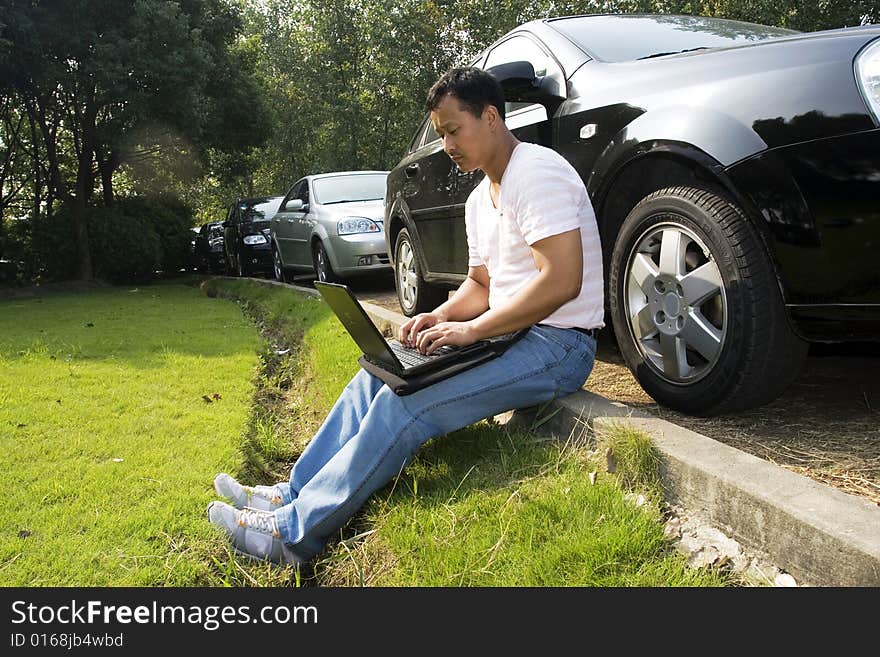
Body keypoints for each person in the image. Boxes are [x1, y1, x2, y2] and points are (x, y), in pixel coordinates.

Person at [207, 66, 605, 564]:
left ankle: (292, 536)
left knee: (407, 405)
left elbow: (561, 280)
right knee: (378, 376)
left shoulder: (537, 172)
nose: (446, 146)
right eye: (440, 135)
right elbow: (481, 285)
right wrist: (437, 317)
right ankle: (292, 492)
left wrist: (473, 330)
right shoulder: (481, 196)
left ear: (490, 118)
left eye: (453, 130)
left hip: (559, 345)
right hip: (511, 336)